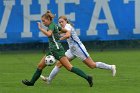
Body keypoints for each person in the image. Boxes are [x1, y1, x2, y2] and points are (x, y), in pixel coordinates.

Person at [22, 10, 93, 87]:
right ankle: (32, 82)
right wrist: (63, 33)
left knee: (69, 67)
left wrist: (40, 28)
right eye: (42, 21)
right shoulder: (54, 25)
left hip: (57, 49)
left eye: (44, 21)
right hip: (52, 50)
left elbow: (49, 34)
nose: (43, 23)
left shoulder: (51, 26)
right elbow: (64, 30)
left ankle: (87, 77)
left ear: (49, 19)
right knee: (40, 66)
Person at [40, 15, 116, 84]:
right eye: (59, 22)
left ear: (66, 21)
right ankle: (49, 80)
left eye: (62, 21)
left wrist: (59, 38)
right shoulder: (63, 28)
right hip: (72, 50)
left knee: (92, 65)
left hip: (79, 48)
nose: (61, 23)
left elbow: (67, 35)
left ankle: (111, 67)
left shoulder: (68, 26)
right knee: (59, 64)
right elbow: (59, 32)